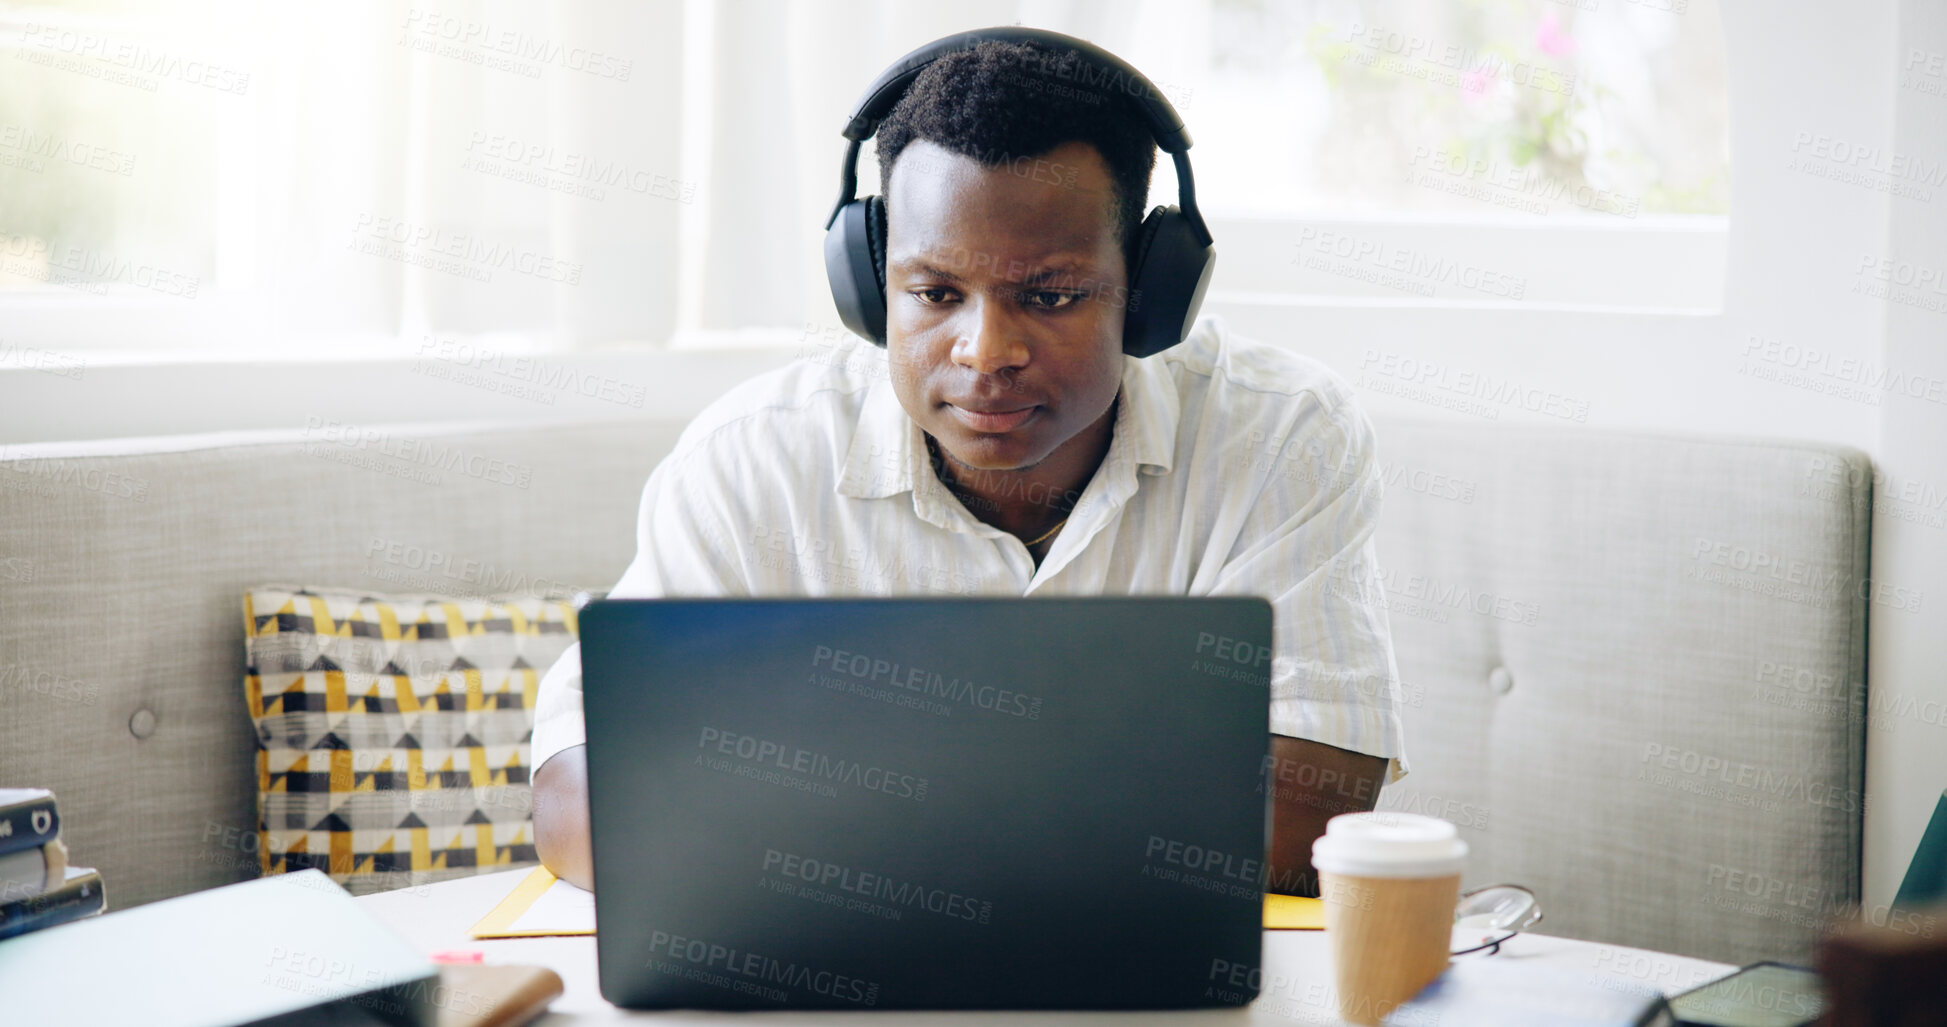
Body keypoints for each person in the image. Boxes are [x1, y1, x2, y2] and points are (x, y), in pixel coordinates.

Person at [531, 36, 1408, 898]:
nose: (986, 352)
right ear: (870, 285)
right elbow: (581, 802)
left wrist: (835, 819)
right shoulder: (750, 460)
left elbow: (1305, 817)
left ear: (1147, 294)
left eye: (1051, 294)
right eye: (935, 293)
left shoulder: (1281, 434)